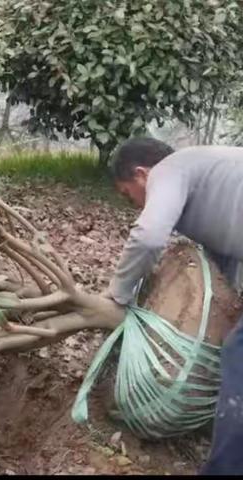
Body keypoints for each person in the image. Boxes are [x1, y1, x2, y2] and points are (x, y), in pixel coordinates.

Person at [105, 137, 243, 476]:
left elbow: (149, 235)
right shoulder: (211, 175)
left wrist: (116, 296)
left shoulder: (169, 170)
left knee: (238, 355)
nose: (136, 205)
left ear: (142, 174)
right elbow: (226, 252)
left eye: (128, 194)